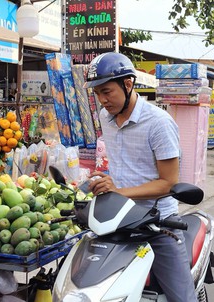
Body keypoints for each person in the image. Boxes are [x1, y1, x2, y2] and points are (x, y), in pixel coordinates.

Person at [85, 52, 198, 302]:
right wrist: (103, 179)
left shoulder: (159, 123)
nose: (102, 100)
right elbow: (125, 166)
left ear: (128, 84)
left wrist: (119, 192)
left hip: (158, 224)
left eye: (107, 91)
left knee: (183, 299)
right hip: (119, 219)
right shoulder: (106, 117)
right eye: (97, 94)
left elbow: (168, 182)